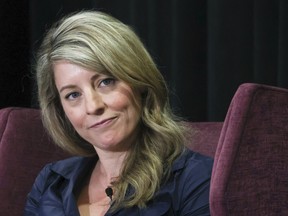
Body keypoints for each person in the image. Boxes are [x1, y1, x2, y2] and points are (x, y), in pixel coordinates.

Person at [24, 10, 213, 216]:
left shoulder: (197, 179)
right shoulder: (51, 183)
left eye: (106, 82)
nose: (93, 106)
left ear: (139, 82)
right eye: (73, 95)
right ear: (60, 111)